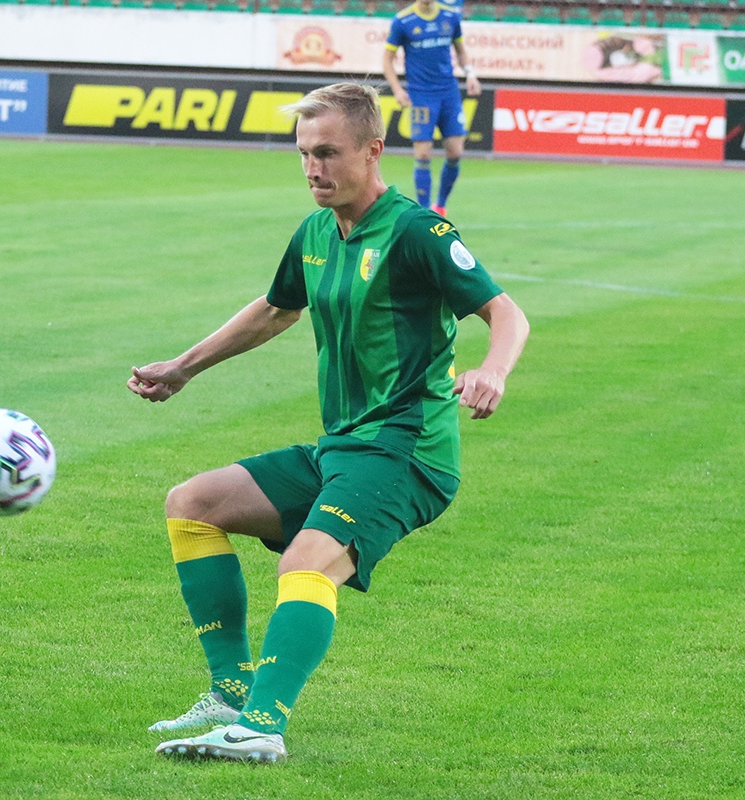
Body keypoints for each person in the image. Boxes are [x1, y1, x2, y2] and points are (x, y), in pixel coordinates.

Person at [128, 82, 528, 763]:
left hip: (406, 453)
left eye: (328, 153)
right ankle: (230, 694)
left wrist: (493, 369)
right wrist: (184, 367)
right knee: (193, 505)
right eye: (304, 154)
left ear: (373, 151)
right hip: (343, 448)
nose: (313, 169)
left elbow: (506, 312)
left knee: (306, 560)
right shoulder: (316, 231)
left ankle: (262, 725)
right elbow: (276, 309)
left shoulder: (419, 232)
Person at [382, 0, 481, 218]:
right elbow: (387, 60)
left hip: (448, 92)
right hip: (421, 95)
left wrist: (470, 74)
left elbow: (461, 51)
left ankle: (441, 205)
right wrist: (397, 89)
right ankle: (425, 211)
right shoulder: (403, 21)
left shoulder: (450, 16)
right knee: (423, 152)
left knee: (455, 152)